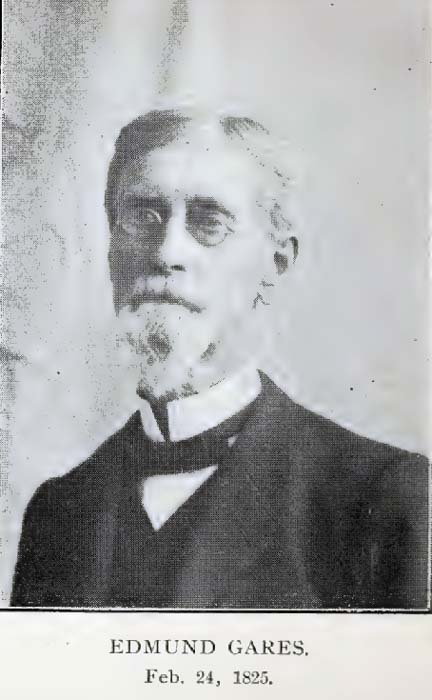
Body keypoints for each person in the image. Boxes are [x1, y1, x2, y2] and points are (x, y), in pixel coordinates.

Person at [11, 108, 429, 609]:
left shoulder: (384, 498)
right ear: (110, 249)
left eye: (209, 222)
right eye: (142, 217)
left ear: (276, 262)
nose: (166, 253)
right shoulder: (59, 510)